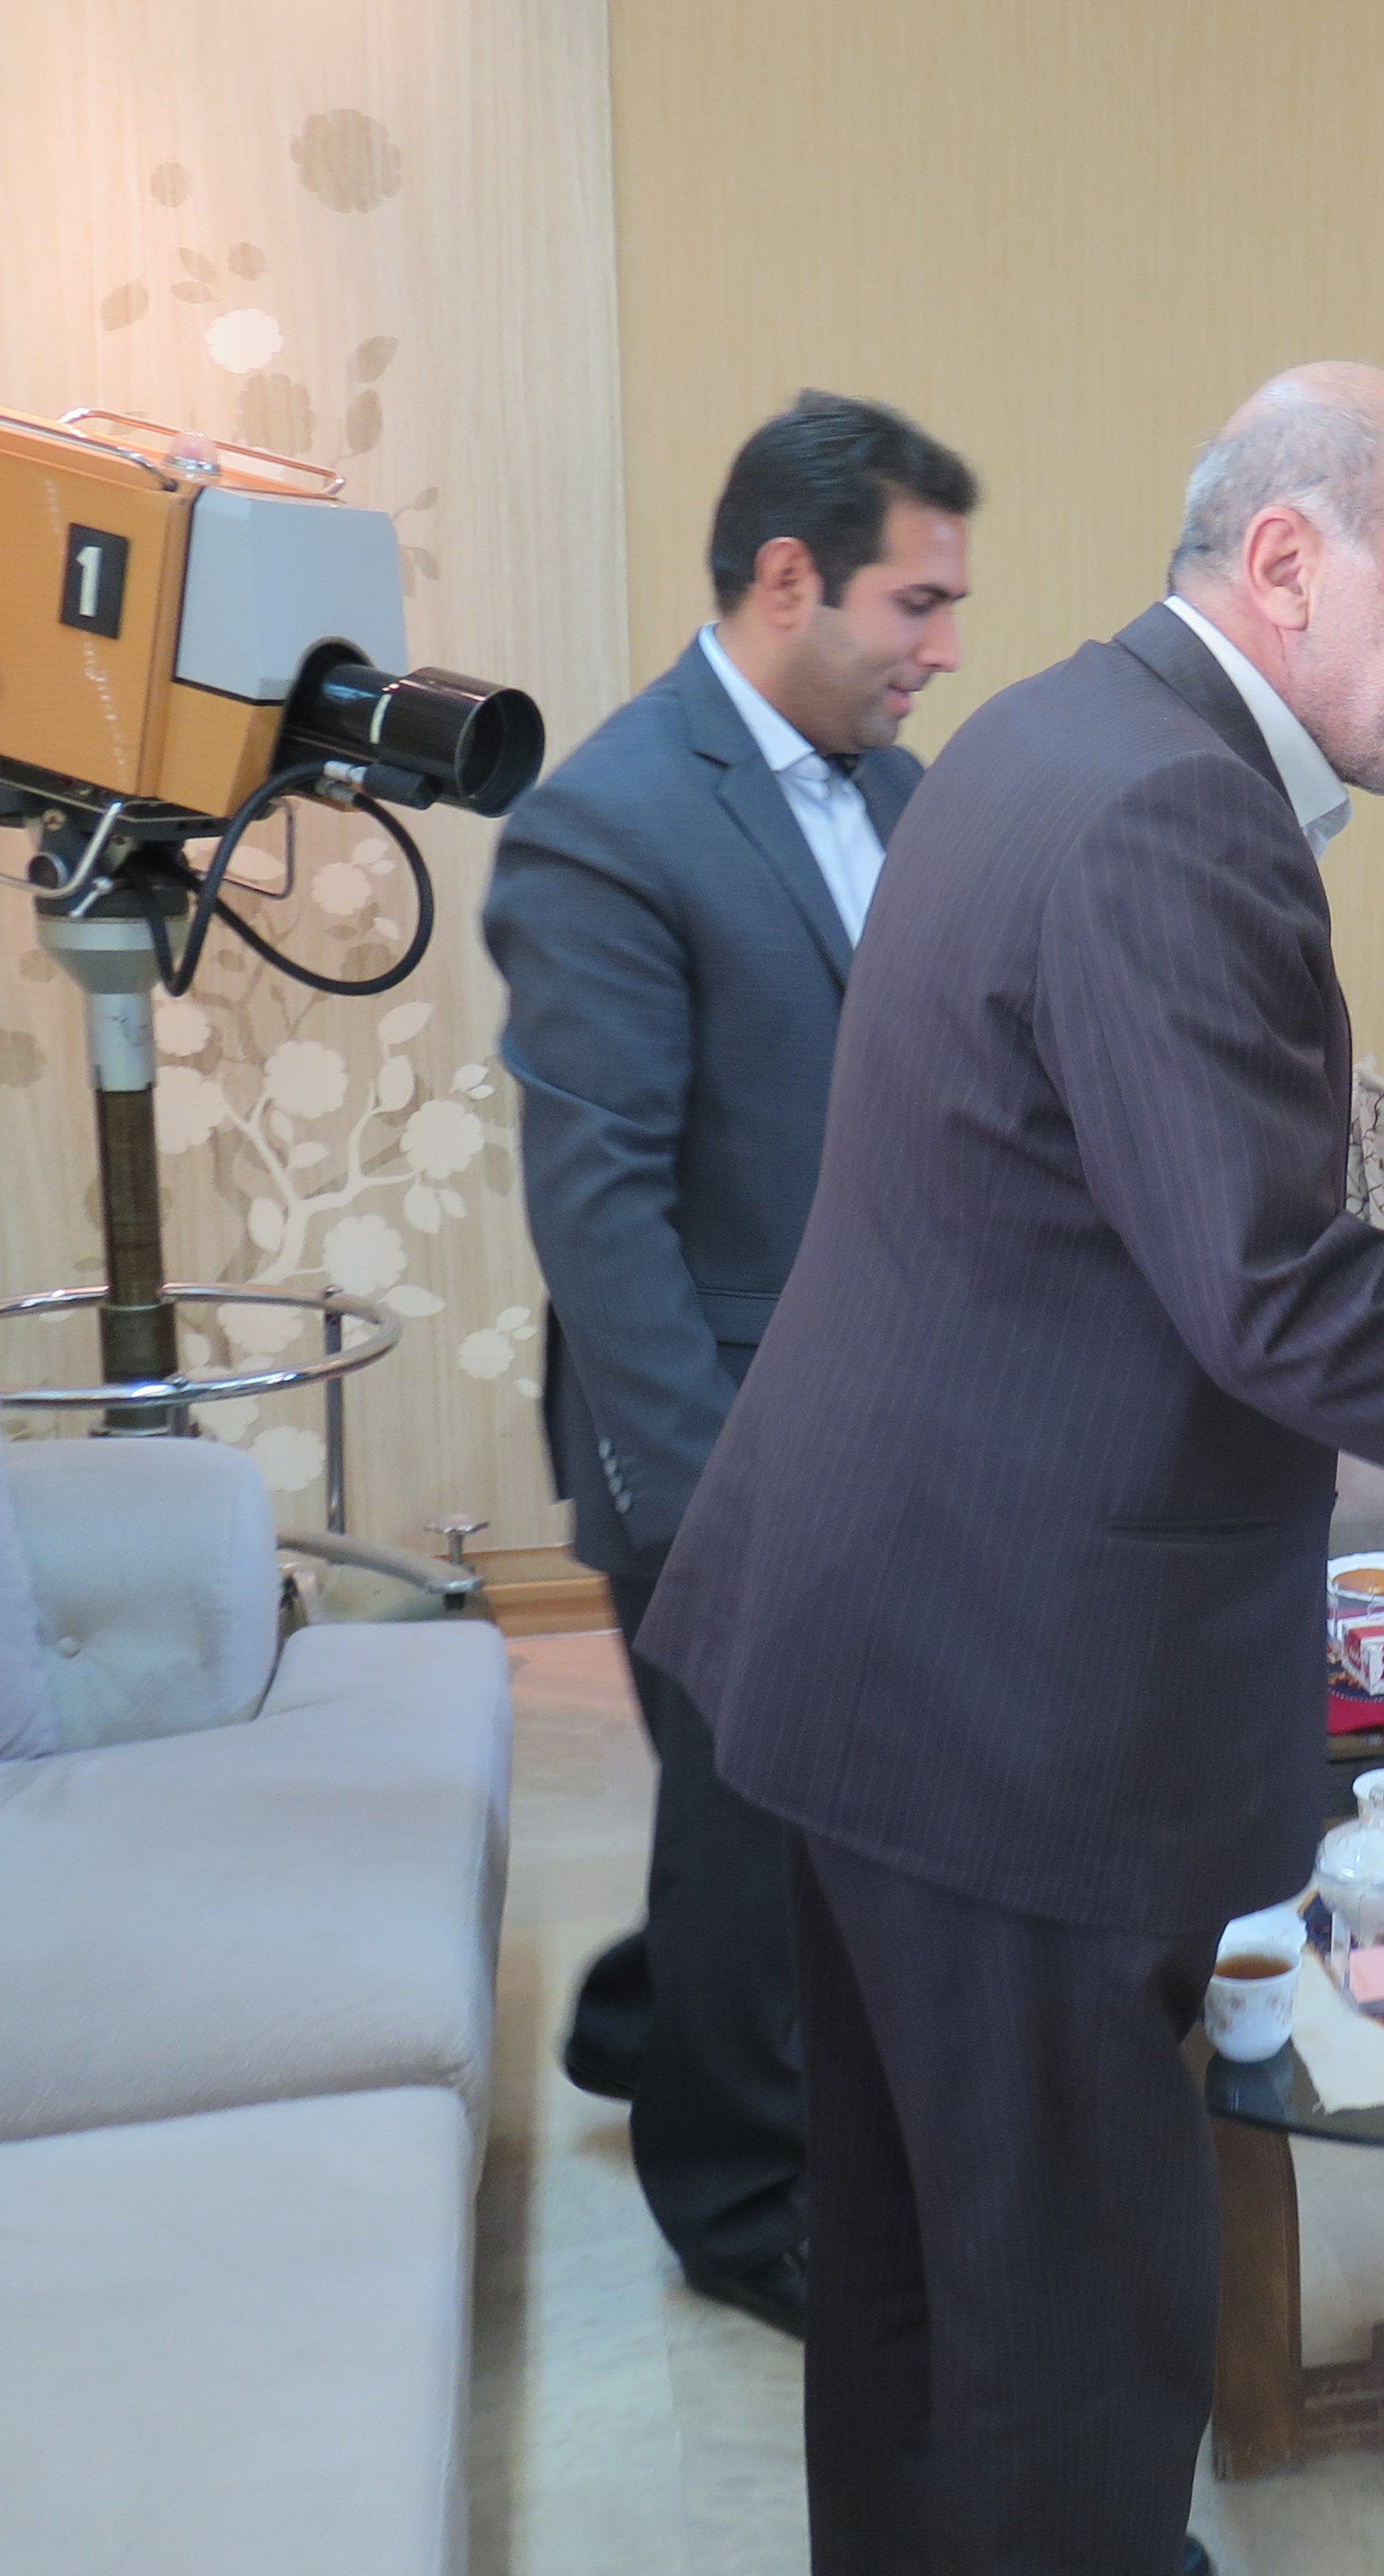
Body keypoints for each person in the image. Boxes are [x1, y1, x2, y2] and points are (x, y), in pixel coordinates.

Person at [636, 364, 1384, 2576]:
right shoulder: (1170, 814)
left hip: (873, 1642)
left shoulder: (1054, 730)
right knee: (1076, 2328)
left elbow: (1138, 1225)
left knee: (914, 2276)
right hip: (1000, 1699)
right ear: (1287, 562)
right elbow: (1271, 1296)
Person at [482, 390, 976, 2338]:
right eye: (917, 602)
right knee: (751, 1819)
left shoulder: (903, 795)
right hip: (714, 1428)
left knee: (814, 1815)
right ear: (790, 578)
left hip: (894, 1412)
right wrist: (712, 1514)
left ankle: (655, 2020)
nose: (944, 647)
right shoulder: (608, 820)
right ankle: (739, 2203)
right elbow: (600, 1207)